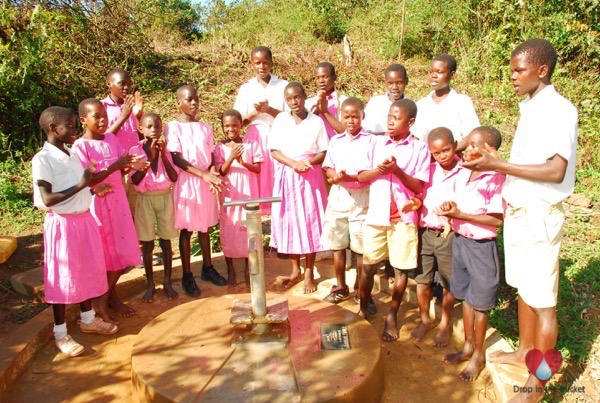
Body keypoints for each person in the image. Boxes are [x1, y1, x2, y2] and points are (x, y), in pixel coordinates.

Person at [462, 39, 578, 401]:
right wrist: (498, 158)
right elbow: (531, 163)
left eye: (518, 70)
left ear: (541, 70)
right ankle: (525, 351)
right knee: (525, 289)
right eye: (511, 69)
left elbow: (556, 170)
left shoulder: (560, 110)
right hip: (520, 211)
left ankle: (539, 383)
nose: (512, 76)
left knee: (543, 301)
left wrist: (498, 165)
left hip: (540, 215)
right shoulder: (530, 108)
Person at [33, 106, 118, 357]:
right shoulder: (43, 159)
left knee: (87, 270)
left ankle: (88, 319)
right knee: (63, 276)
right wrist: (83, 183)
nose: (74, 130)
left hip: (83, 221)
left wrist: (91, 191)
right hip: (63, 225)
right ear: (52, 128)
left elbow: (74, 190)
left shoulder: (70, 154)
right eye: (69, 126)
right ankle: (60, 333)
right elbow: (47, 198)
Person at [357, 99, 430, 341]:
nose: (390, 121)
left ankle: (392, 315)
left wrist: (397, 171)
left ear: (410, 122)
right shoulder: (375, 143)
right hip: (377, 215)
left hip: (403, 217)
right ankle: (363, 307)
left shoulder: (419, 149)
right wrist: (380, 170)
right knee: (368, 266)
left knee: (400, 269)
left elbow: (419, 186)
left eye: (396, 118)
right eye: (389, 116)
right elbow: (361, 176)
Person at [439, 126, 505, 382]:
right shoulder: (463, 173)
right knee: (466, 299)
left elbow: (496, 219)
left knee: (480, 304)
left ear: (490, 151)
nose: (466, 150)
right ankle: (467, 347)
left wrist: (461, 215)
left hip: (480, 249)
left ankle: (478, 356)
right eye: (466, 145)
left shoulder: (495, 178)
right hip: (461, 243)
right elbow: (458, 205)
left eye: (473, 146)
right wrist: (451, 209)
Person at [72, 99, 145, 323]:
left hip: (118, 202)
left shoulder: (112, 138)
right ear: (84, 120)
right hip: (97, 204)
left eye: (104, 115)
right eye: (97, 116)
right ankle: (103, 300)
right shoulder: (80, 147)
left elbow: (121, 163)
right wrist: (116, 165)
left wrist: (131, 165)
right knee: (104, 254)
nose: (103, 120)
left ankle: (106, 299)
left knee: (122, 251)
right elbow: (88, 179)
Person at [166, 85, 227, 296]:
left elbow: (210, 154)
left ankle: (208, 267)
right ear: (178, 103)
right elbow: (176, 158)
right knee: (187, 228)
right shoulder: (173, 127)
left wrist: (211, 172)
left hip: (205, 181)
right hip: (188, 181)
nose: (194, 103)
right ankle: (186, 274)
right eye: (189, 99)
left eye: (196, 99)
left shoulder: (205, 127)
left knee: (205, 226)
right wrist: (202, 174)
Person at [269, 82, 329, 294]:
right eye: (290, 98)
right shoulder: (281, 120)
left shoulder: (316, 122)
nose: (294, 102)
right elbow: (274, 150)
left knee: (310, 220)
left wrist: (308, 163)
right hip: (287, 174)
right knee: (290, 221)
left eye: (298, 97)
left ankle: (309, 272)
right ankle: (295, 270)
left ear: (305, 96)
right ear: (286, 100)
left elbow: (323, 151)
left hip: (310, 176)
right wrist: (293, 164)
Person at [411, 127, 463, 347]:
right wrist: (415, 203)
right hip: (425, 231)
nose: (442, 156)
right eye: (436, 153)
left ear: (454, 145)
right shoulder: (427, 170)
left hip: (448, 234)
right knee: (422, 280)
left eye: (446, 150)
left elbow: (469, 201)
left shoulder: (464, 171)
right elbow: (418, 194)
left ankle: (444, 324)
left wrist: (454, 208)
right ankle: (425, 319)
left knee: (448, 282)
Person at [320, 97, 374, 303]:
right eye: (346, 116)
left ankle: (361, 288)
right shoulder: (336, 141)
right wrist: (333, 175)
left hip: (361, 198)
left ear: (363, 116)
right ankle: (341, 286)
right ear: (341, 116)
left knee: (360, 248)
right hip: (339, 196)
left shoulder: (371, 141)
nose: (350, 121)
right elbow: (328, 166)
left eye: (355, 116)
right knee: (338, 245)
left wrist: (351, 178)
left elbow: (373, 171)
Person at [129, 113, 179, 302]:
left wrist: (162, 155)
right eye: (149, 126)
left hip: (165, 198)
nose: (154, 130)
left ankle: (167, 282)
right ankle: (150, 284)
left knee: (166, 241)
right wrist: (149, 157)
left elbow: (174, 177)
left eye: (157, 127)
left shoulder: (167, 149)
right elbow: (134, 180)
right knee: (147, 243)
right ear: (140, 129)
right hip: (145, 199)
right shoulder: (135, 150)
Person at [233, 46, 288, 215]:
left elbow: (290, 117)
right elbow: (238, 121)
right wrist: (255, 112)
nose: (262, 67)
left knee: (277, 176)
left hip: (277, 135)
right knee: (256, 178)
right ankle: (255, 223)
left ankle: (279, 220)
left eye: (266, 62)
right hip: (254, 138)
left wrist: (269, 110)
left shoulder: (283, 85)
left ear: (272, 63)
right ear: (251, 64)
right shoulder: (246, 88)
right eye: (257, 63)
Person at [215, 109, 263, 287]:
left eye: (234, 125)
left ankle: (247, 269)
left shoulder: (250, 145)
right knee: (229, 229)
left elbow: (258, 168)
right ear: (222, 128)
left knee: (248, 230)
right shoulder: (220, 147)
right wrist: (231, 158)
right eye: (226, 126)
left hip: (247, 192)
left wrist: (242, 162)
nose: (231, 129)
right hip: (229, 193)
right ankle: (231, 270)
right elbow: (221, 171)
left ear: (241, 125)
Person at [411, 54, 480, 150]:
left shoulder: (462, 102)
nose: (433, 76)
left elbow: (471, 135)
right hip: (424, 160)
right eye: (431, 72)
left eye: (439, 72)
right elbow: (415, 136)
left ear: (452, 74)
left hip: (452, 160)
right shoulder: (421, 104)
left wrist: (448, 152)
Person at [101, 68, 144, 216]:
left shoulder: (132, 107)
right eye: (122, 84)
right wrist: (124, 115)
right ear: (109, 84)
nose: (126, 87)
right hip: (116, 168)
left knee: (136, 215)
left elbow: (141, 136)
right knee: (117, 214)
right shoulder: (101, 108)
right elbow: (102, 139)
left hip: (135, 167)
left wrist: (138, 116)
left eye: (129, 84)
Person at [363, 64, 410, 136]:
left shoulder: (411, 106)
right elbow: (364, 132)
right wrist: (384, 135)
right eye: (390, 83)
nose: (395, 87)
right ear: (385, 82)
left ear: (406, 81)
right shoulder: (375, 103)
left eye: (399, 83)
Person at [305, 62, 348, 138]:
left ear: (334, 77)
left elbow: (347, 132)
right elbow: (304, 128)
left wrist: (325, 112)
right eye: (317, 78)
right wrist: (317, 110)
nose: (321, 81)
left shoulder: (344, 102)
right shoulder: (309, 103)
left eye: (325, 77)